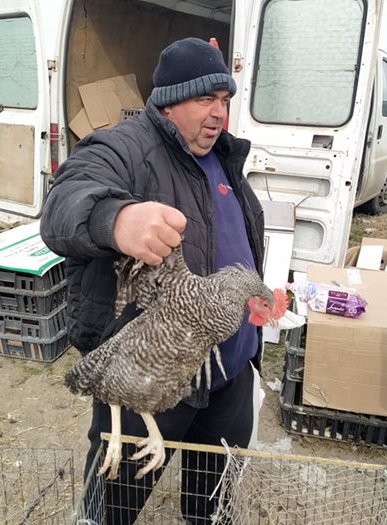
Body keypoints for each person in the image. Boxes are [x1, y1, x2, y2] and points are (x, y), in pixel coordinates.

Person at [40, 37, 265, 524]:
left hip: (228, 376)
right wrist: (116, 218)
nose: (219, 114)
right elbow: (62, 205)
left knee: (213, 505)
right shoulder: (124, 146)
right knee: (111, 507)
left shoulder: (224, 156)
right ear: (168, 100)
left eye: (224, 100)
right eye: (205, 99)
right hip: (147, 376)